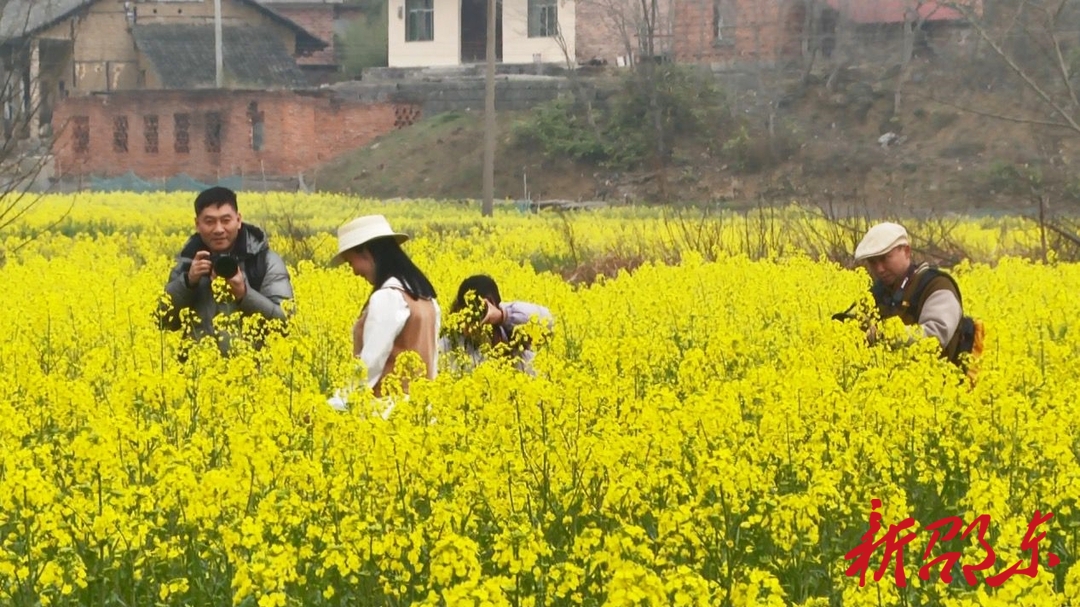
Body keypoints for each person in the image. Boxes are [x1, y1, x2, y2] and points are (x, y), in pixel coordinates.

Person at [161, 186, 293, 354]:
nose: (218, 229)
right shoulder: (188, 263)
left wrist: (244, 294)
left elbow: (286, 324)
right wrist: (187, 283)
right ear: (197, 224)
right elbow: (163, 321)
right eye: (209, 222)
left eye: (225, 220)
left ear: (238, 220)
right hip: (198, 374)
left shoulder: (264, 262)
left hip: (252, 374)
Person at [330, 215, 440, 404]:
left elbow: (370, 364)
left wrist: (338, 403)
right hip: (421, 412)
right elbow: (433, 363)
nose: (354, 271)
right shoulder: (427, 299)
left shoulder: (388, 297)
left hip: (386, 414)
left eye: (350, 262)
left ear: (366, 251)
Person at [848, 222, 976, 365]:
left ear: (907, 251)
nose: (879, 269)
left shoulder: (936, 286)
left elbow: (936, 335)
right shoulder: (878, 291)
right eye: (872, 262)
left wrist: (887, 334)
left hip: (935, 380)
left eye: (885, 258)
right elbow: (851, 324)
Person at [441, 274, 554, 375]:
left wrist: (503, 316)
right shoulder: (450, 345)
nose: (470, 327)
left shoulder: (511, 332)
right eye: (466, 315)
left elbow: (548, 322)